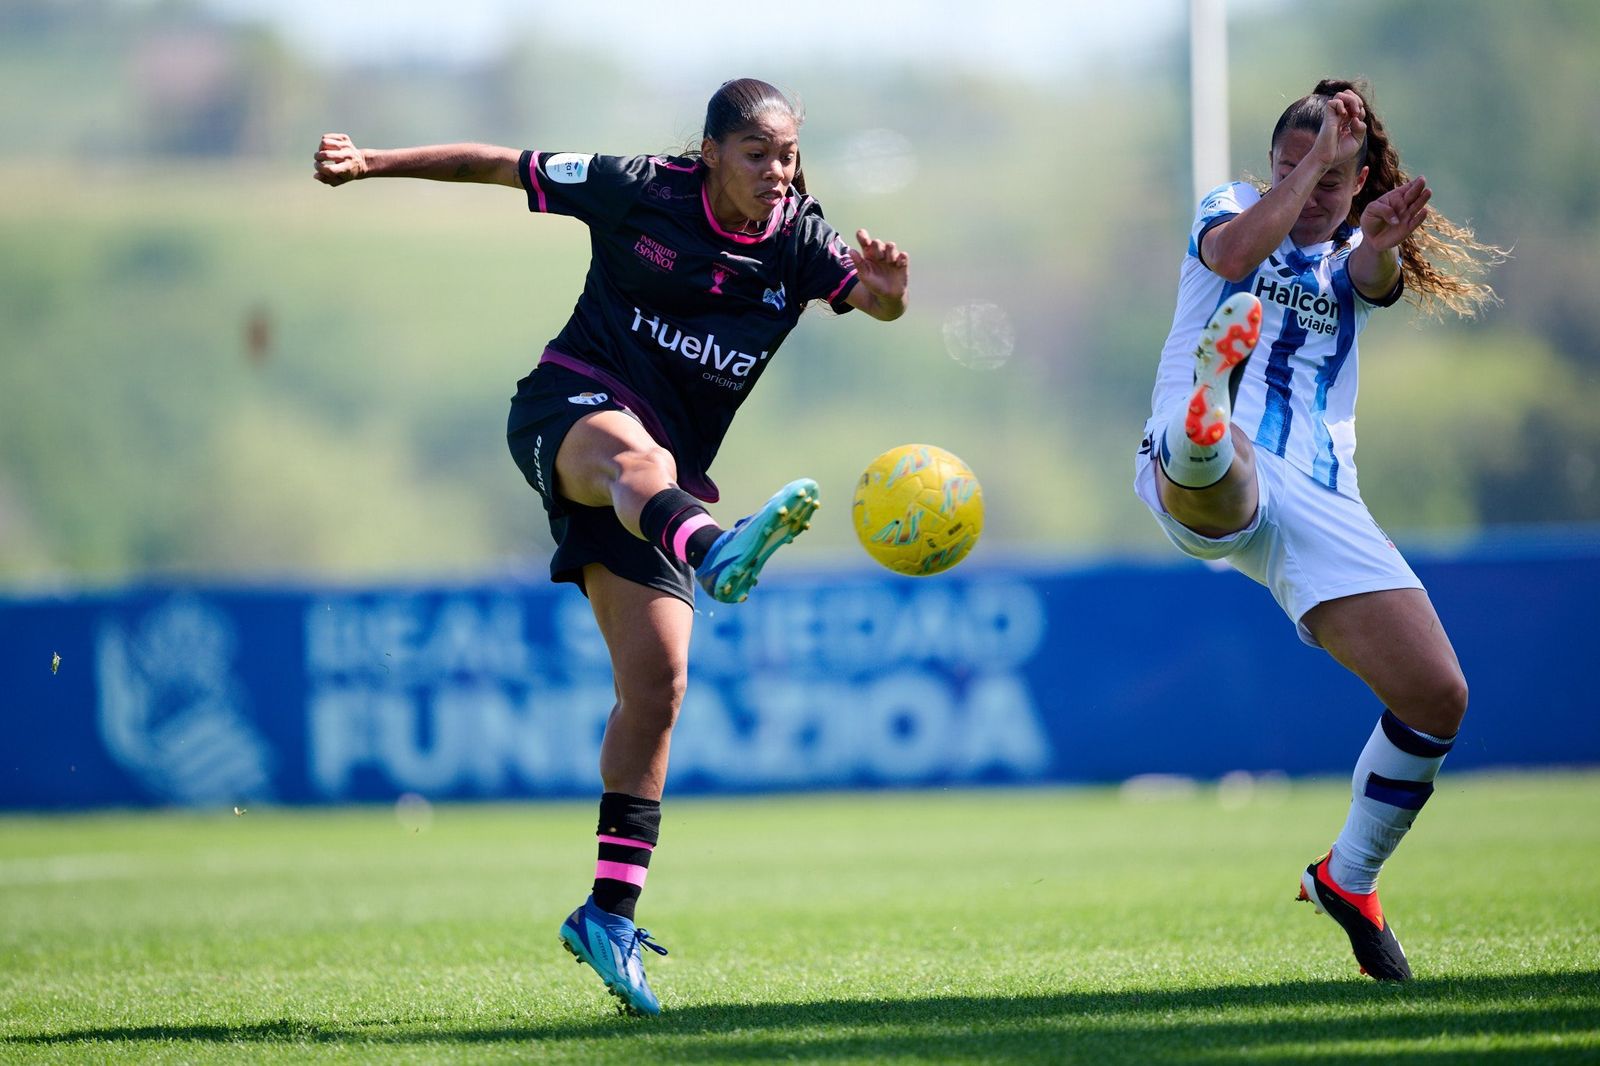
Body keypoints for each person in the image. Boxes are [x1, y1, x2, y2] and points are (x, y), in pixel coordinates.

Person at [314, 78, 910, 1015]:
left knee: (658, 687)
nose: (776, 171)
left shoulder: (799, 240)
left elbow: (873, 300)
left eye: (788, 155)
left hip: (656, 499)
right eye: (756, 154)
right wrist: (371, 163)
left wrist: (888, 296)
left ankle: (607, 914)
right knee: (642, 457)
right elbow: (497, 166)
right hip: (569, 412)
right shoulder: (639, 188)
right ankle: (716, 550)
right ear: (710, 152)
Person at [1134, 78, 1499, 980]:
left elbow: (1372, 279)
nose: (1306, 190)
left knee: (1438, 696)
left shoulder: (1352, 253)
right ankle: (1205, 417)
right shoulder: (1233, 207)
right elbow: (1233, 256)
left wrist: (1377, 238)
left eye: (1331, 178)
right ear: (1270, 166)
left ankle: (1349, 878)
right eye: (1289, 168)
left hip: (1326, 495)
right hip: (1218, 459)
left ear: (1362, 180)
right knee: (1229, 474)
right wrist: (1310, 172)